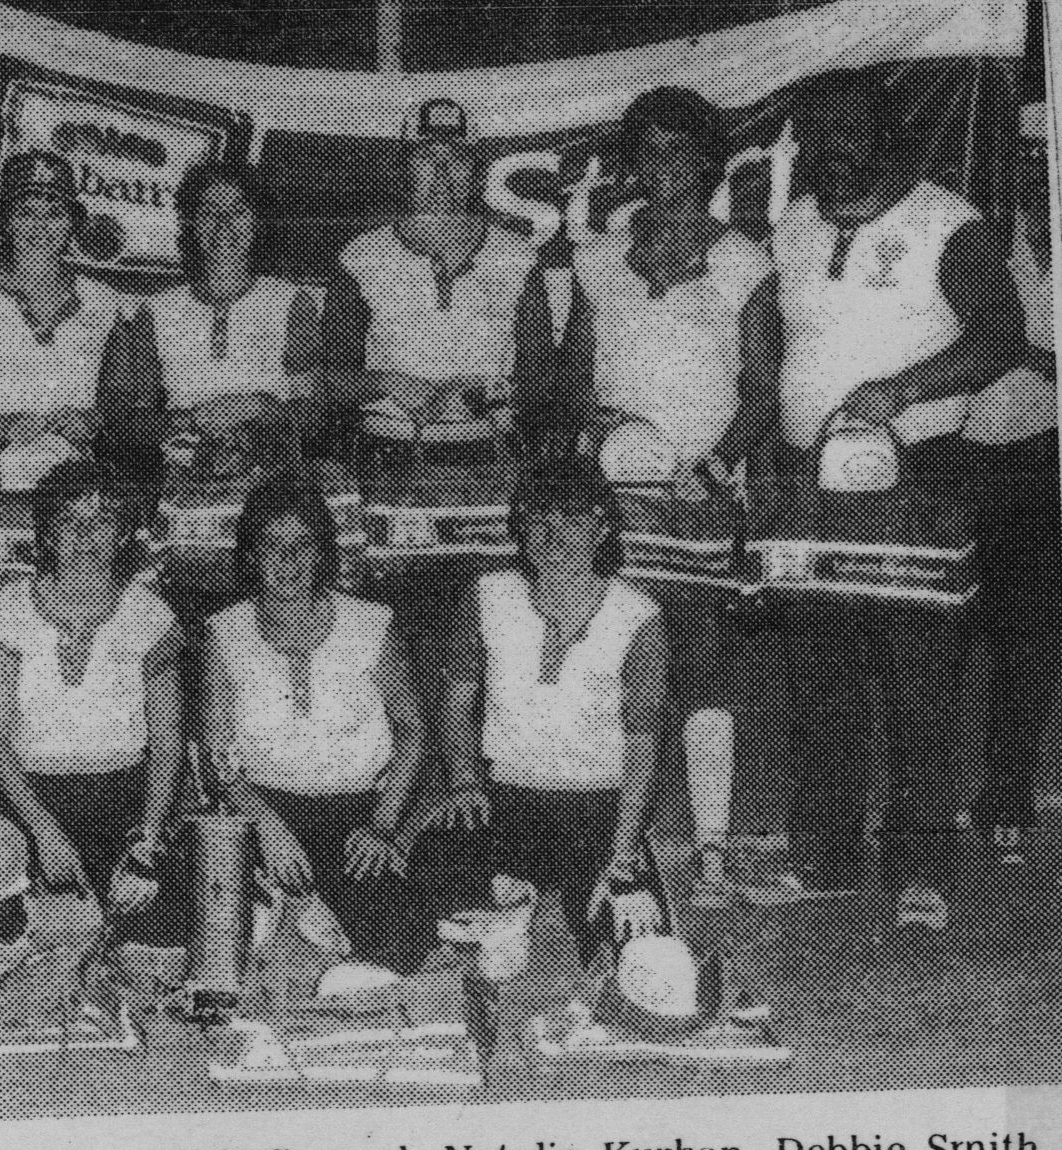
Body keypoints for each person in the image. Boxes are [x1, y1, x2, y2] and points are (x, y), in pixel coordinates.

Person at [769, 68, 1023, 935]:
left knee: (919, 679)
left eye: (845, 140)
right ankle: (828, 854)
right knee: (819, 671)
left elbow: (1000, 339)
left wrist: (903, 387)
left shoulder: (949, 225)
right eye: (813, 142)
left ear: (885, 137)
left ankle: (922, 868)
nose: (826, 159)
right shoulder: (795, 225)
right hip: (810, 482)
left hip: (915, 474)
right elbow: (789, 344)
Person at [562, 87, 778, 906]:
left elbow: (761, 390)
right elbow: (574, 376)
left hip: (699, 490)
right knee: (624, 660)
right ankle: (644, 845)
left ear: (707, 161)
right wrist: (600, 417)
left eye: (678, 150)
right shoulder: (600, 254)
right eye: (646, 150)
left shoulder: (743, 263)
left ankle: (715, 854)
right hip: (615, 489)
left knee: (699, 663)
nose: (662, 167)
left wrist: (715, 462)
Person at [420, 456, 670, 969]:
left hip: (597, 805)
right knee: (427, 898)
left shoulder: (638, 615)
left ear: (601, 529)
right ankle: (514, 899)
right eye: (539, 520)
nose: (554, 536)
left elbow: (643, 742)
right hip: (506, 795)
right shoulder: (488, 596)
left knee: (633, 952)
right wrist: (465, 780)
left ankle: (537, 893)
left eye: (573, 521)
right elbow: (457, 701)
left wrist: (623, 853)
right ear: (521, 526)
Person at [202, 477, 426, 976]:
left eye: (303, 545)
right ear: (252, 555)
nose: (289, 561)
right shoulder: (226, 631)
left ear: (323, 549)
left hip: (354, 805)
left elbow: (411, 730)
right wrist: (269, 827)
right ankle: (284, 893)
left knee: (393, 943)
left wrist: (384, 822)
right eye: (273, 548)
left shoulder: (370, 623)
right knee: (219, 942)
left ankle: (296, 895)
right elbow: (219, 758)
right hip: (258, 803)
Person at [0, 461, 185, 948]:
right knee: (10, 924)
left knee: (152, 932)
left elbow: (168, 744)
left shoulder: (149, 616)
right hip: (25, 797)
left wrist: (147, 842)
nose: (86, 533)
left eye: (103, 519)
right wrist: (46, 833)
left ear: (123, 534)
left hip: (124, 799)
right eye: (69, 520)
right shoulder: (11, 609)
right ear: (47, 535)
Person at [324, 98, 560, 456]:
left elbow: (542, 379)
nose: (442, 172)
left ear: (477, 173)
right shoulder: (361, 256)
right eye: (426, 157)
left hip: (491, 447)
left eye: (457, 158)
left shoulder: (517, 256)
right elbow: (332, 381)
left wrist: (482, 392)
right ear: (405, 167)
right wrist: (389, 383)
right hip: (386, 448)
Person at [0, 150, 153, 486]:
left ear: (72, 223)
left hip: (76, 481)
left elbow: (127, 396)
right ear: (4, 222)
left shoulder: (103, 301)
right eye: (26, 213)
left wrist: (94, 418)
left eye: (55, 213)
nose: (41, 226)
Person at [960, 101, 1058, 872]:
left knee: (1029, 637)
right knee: (944, 634)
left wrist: (1027, 353)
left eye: (1047, 154)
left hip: (1039, 458)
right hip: (957, 450)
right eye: (1026, 156)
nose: (1037, 170)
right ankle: (920, 806)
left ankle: (1006, 794)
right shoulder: (983, 240)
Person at [142, 161, 324, 476]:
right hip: (183, 479)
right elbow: (132, 421)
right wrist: (190, 421)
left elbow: (311, 415)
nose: (223, 224)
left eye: (238, 211)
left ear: (257, 221)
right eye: (209, 211)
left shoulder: (292, 302)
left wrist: (260, 406)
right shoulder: (156, 309)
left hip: (270, 481)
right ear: (191, 223)